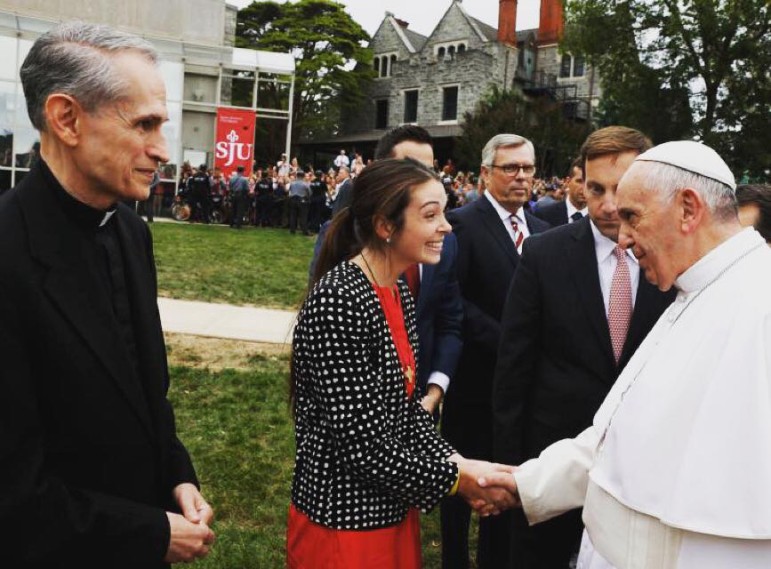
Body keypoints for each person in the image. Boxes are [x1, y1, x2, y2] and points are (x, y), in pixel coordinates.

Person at [481, 140, 771, 568]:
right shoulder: (694, 291)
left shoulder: (758, 299)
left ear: (689, 209)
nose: (624, 237)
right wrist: (522, 483)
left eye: (633, 216)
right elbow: (619, 436)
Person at [0, 22, 214, 568]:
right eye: (143, 124)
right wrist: (146, 533)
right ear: (66, 119)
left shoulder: (130, 231)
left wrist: (176, 473)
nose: (162, 150)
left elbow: (148, 391)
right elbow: (13, 491)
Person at [287, 159, 516, 568]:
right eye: (430, 215)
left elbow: (403, 411)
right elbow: (361, 445)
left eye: (444, 212)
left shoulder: (396, 292)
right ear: (385, 226)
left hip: (390, 510)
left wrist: (457, 461)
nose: (446, 226)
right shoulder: (339, 301)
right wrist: (457, 481)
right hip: (344, 525)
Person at [492, 127, 675, 568]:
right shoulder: (542, 254)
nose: (609, 204)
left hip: (640, 476)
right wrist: (514, 473)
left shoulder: (672, 261)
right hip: (550, 463)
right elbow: (513, 368)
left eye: (621, 188)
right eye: (596, 189)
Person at [442, 134, 551, 569]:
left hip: (524, 391)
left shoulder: (545, 230)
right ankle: (453, 559)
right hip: (475, 380)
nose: (521, 176)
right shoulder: (461, 224)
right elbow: (454, 299)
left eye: (527, 168)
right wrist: (509, 337)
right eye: (511, 168)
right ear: (486, 173)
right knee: (459, 485)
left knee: (504, 483)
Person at [535, 158, 587, 226]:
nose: (584, 187)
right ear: (568, 182)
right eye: (579, 181)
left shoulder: (600, 218)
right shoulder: (545, 215)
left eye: (589, 182)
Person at [287, 169, 311, 235]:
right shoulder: (305, 184)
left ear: (297, 176)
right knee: (303, 216)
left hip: (292, 199)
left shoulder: (292, 183)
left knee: (293, 215)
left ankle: (292, 230)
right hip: (302, 200)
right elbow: (309, 192)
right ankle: (304, 231)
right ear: (303, 176)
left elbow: (289, 190)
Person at [229, 165, 249, 229]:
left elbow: (230, 187)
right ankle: (238, 225)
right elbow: (246, 189)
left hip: (233, 194)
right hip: (241, 195)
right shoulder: (244, 179)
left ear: (237, 170)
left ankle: (231, 223)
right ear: (243, 171)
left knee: (233, 209)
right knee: (240, 210)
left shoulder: (232, 178)